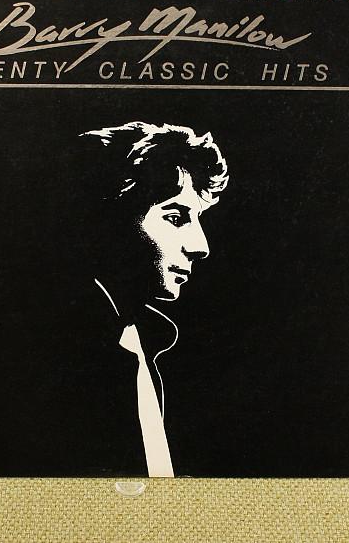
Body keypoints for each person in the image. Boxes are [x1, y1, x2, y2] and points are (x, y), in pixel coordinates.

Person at [37, 121, 228, 477]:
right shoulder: (53, 351)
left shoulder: (142, 339)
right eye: (176, 217)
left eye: (197, 219)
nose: (200, 245)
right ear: (105, 220)